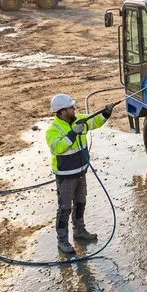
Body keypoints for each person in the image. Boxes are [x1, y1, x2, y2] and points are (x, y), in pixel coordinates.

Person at [45, 94, 114, 253]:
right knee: (64, 208)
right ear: (62, 112)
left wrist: (105, 113)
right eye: (70, 107)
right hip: (66, 175)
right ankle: (62, 241)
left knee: (81, 203)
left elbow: (93, 121)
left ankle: (80, 231)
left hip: (81, 171)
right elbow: (58, 147)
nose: (74, 109)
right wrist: (73, 134)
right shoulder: (52, 130)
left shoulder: (78, 119)